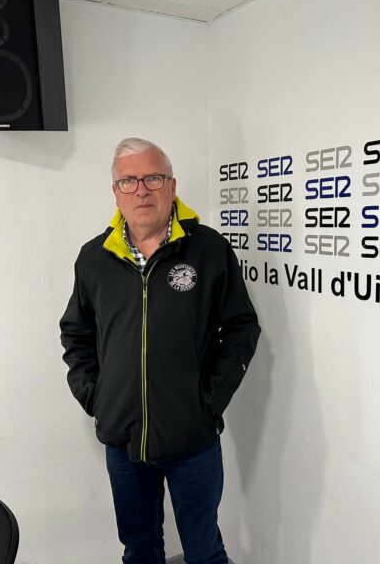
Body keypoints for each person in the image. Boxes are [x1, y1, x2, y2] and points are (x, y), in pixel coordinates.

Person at [60, 138, 260, 564]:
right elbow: (76, 334)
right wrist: (98, 398)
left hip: (193, 439)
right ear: (115, 191)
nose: (141, 190)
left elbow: (241, 328)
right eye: (128, 181)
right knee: (139, 551)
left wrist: (208, 401)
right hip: (124, 443)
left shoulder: (208, 250)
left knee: (204, 552)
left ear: (172, 185)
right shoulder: (94, 259)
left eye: (152, 178)